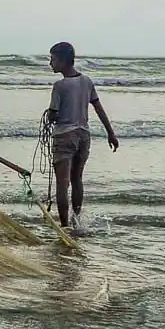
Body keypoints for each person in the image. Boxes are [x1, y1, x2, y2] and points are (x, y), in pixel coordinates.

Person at [44, 42, 119, 231]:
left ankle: (64, 226)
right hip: (83, 135)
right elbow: (98, 107)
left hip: (65, 135)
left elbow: (53, 113)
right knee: (77, 179)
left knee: (62, 183)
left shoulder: (59, 86)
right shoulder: (86, 81)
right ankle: (76, 220)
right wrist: (110, 132)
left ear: (62, 61)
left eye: (53, 59)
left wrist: (49, 116)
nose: (50, 63)